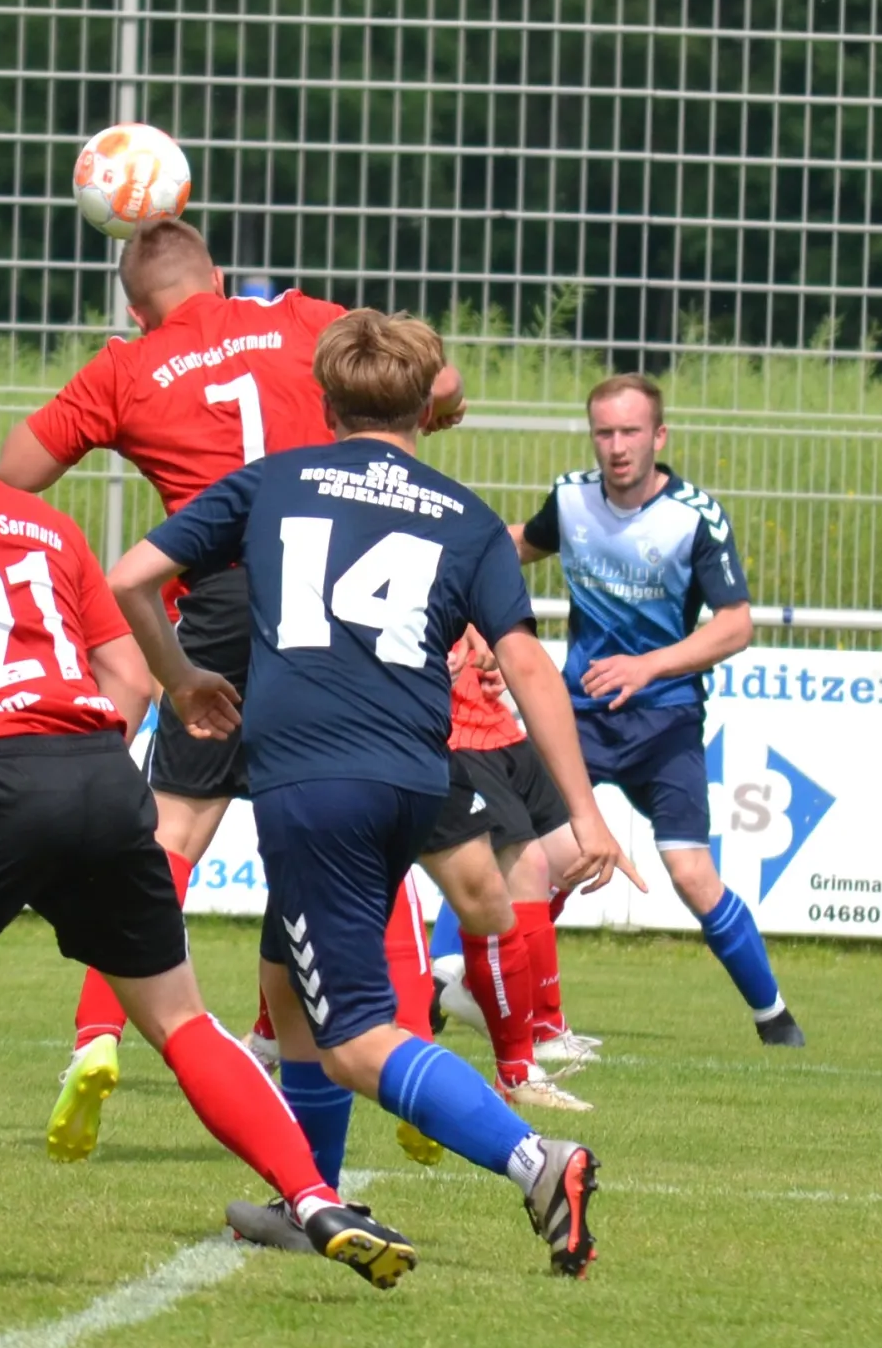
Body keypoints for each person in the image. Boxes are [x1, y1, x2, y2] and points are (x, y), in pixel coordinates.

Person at [0, 323, 422, 1295]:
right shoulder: (43, 527)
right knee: (180, 1019)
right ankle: (314, 1196)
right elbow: (125, 672)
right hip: (98, 769)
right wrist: (72, 757)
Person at [106, 309, 643, 1277]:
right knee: (285, 981)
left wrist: (180, 679)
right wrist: (588, 811)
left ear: (323, 401)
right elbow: (525, 663)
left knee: (354, 1038)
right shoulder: (464, 516)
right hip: (413, 777)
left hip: (315, 779)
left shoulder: (273, 481)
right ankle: (305, 1195)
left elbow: (131, 579)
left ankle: (537, 1161)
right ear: (426, 406)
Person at [0, 216, 463, 1156]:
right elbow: (437, 382)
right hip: (331, 588)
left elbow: (15, 474)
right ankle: (409, 1038)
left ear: (136, 308)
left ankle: (96, 1035)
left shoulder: (125, 368)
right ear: (218, 276)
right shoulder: (296, 318)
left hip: (221, 596)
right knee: (353, 827)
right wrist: (430, 411)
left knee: (169, 833)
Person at [512, 375, 805, 1047]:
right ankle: (453, 984)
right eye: (605, 433)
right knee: (520, 852)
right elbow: (522, 543)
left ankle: (775, 1019)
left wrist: (647, 666)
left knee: (691, 873)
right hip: (578, 715)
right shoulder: (571, 499)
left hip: (664, 719)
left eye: (631, 432)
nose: (617, 447)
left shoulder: (695, 518)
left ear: (659, 436)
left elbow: (734, 625)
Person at [422, 626, 602, 1073]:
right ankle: (542, 1029)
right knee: (528, 868)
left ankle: (473, 982)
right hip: (457, 736)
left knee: (571, 859)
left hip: (499, 726)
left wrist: (490, 649)